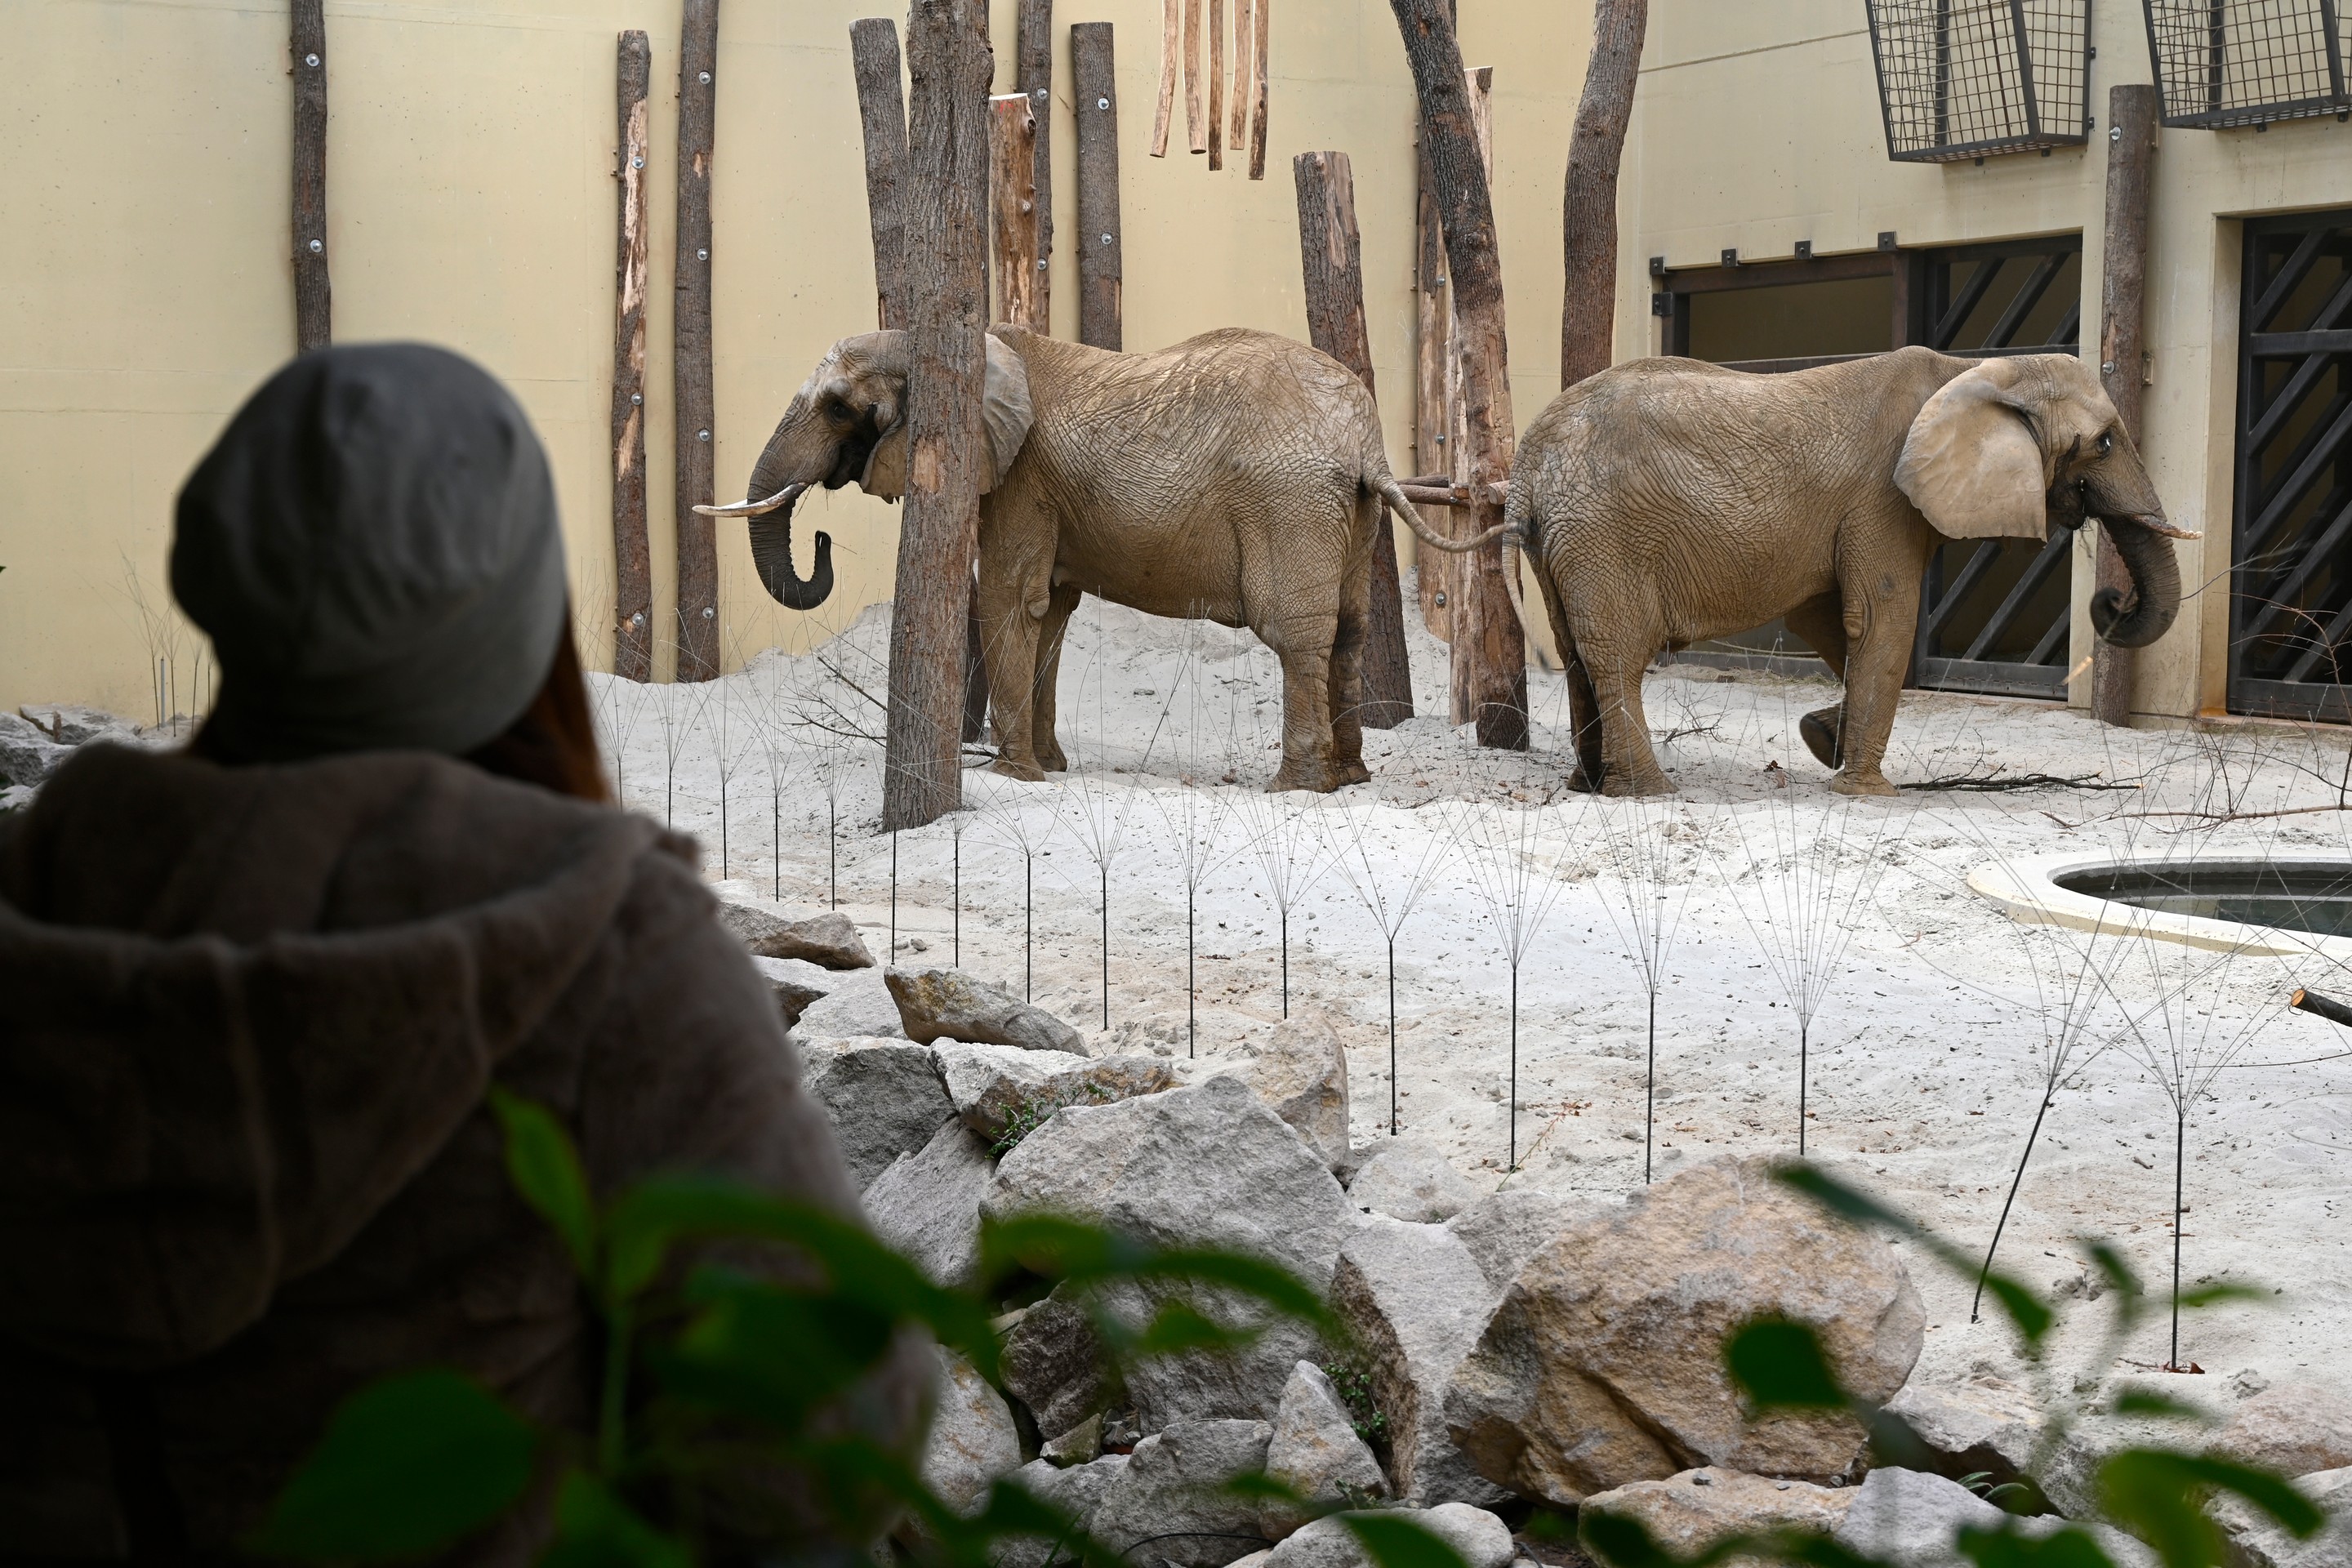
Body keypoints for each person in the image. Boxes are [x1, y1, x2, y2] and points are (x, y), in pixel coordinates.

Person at [0, 345, 917, 1564]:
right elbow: (832, 1434)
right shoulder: (612, 955)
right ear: (517, 611)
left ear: (212, 573)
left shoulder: (44, 884)